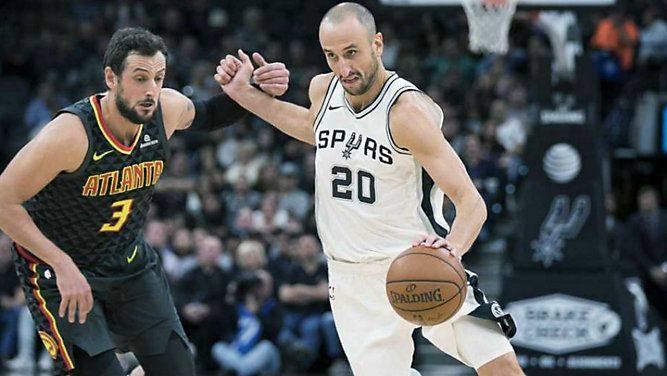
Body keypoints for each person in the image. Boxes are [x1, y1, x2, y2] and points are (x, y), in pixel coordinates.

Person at [215, 3, 524, 375]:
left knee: (501, 368)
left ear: (377, 44)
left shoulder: (406, 112)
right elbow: (314, 129)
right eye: (332, 56)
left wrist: (453, 249)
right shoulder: (323, 89)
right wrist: (245, 95)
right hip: (352, 280)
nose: (344, 68)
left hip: (417, 260)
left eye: (352, 53)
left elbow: (471, 203)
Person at [0, 27, 289, 376]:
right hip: (61, 270)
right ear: (111, 77)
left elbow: (213, 114)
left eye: (158, 78)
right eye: (140, 78)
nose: (151, 90)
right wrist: (61, 264)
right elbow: (4, 201)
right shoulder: (71, 134)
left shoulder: (165, 109)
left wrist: (255, 87)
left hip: (128, 263)